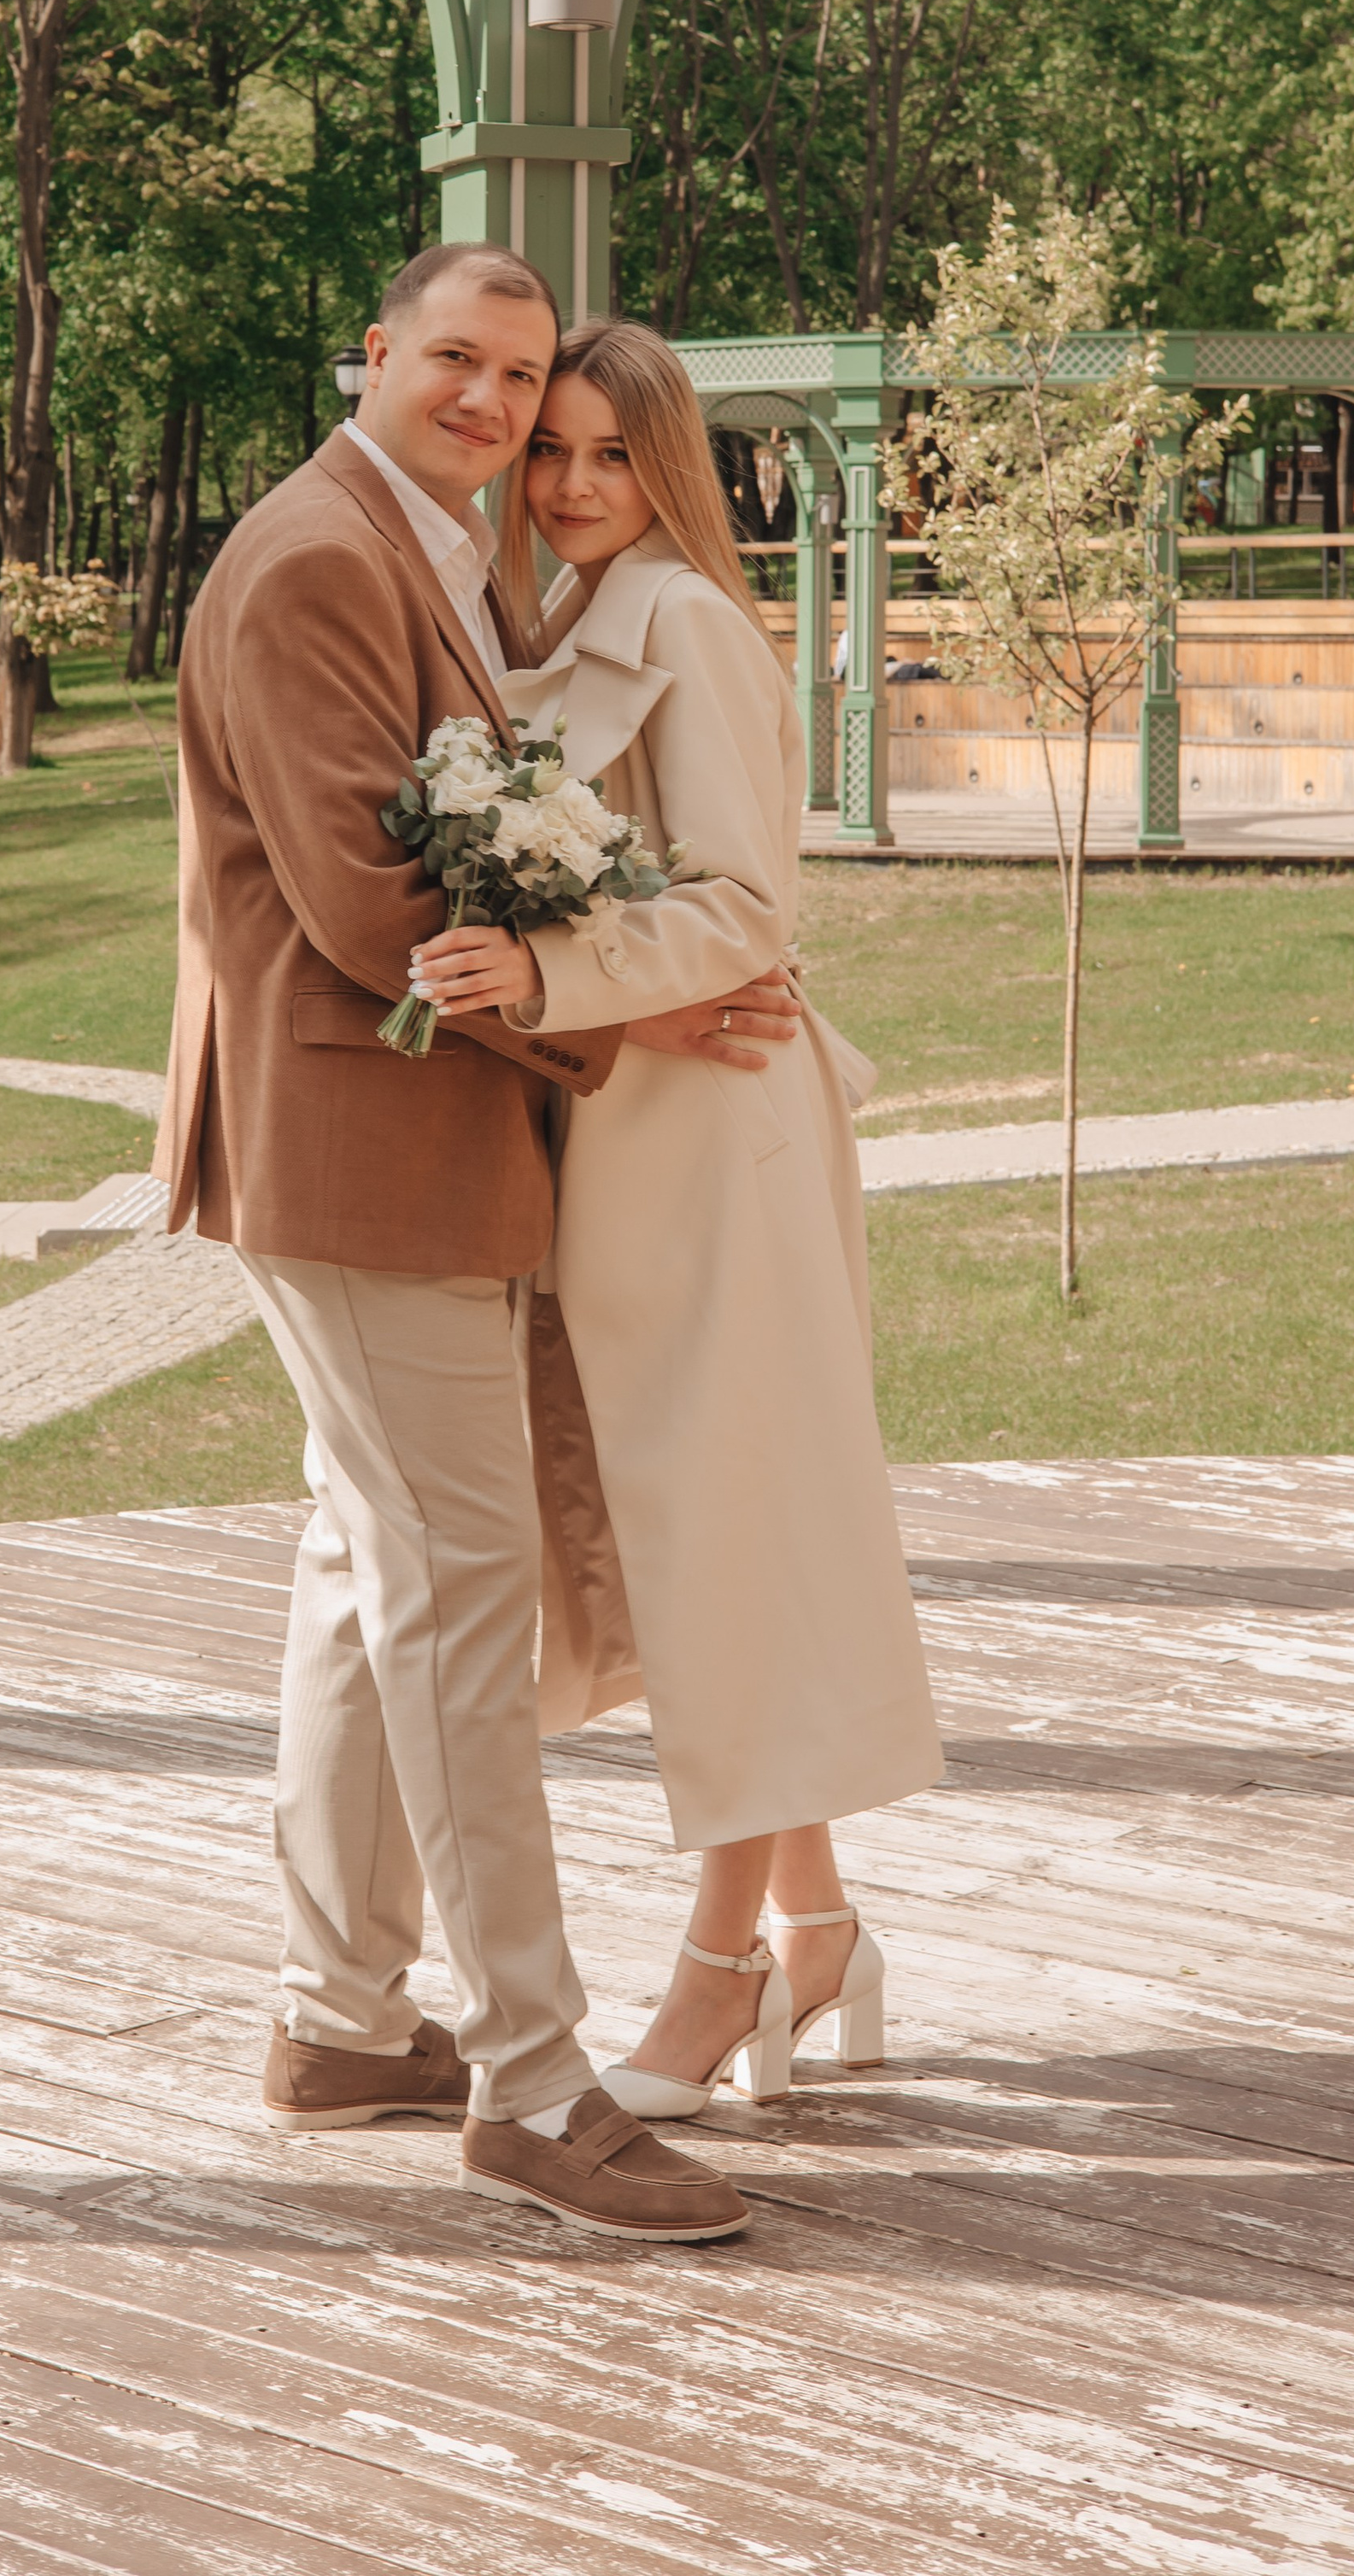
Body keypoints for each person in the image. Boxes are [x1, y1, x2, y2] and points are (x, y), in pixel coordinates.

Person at [156, 242, 800, 2242]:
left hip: (386, 1145)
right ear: (375, 351)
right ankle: (535, 2084)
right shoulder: (316, 561)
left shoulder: (416, 541)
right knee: (458, 1592)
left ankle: (342, 2013)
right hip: (359, 1147)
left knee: (367, 1568)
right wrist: (631, 1002)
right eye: (459, 359)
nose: (495, 404)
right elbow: (373, 914)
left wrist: (608, 982)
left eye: (521, 378)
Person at [413, 314, 942, 2117]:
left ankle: (716, 1969)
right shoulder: (537, 632)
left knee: (725, 1547)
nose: (562, 483)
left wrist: (540, 968)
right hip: (617, 1137)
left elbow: (745, 911)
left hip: (713, 1146)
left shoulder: (688, 629)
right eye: (543, 450)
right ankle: (818, 1928)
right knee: (699, 1543)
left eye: (603, 456)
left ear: (667, 470)